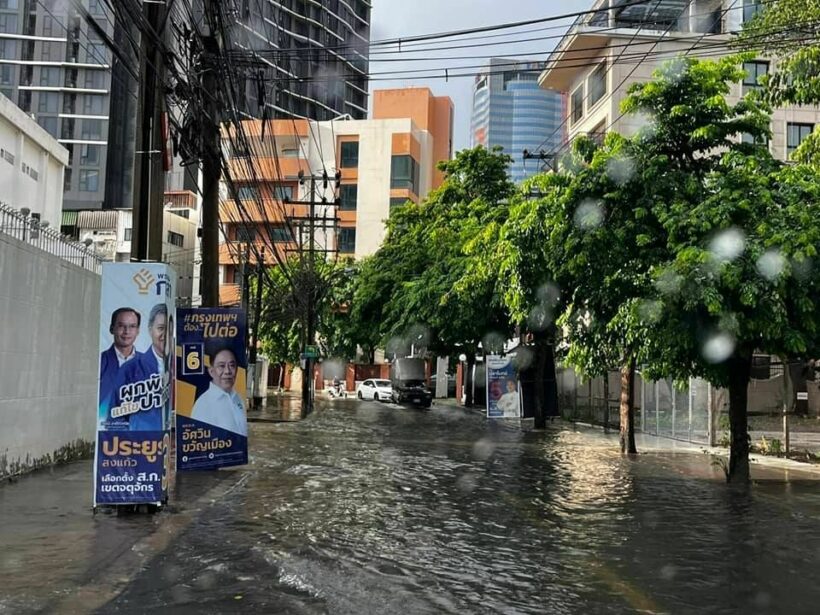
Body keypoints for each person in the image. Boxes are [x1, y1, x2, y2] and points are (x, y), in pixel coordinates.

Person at [191, 347, 247, 436]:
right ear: (211, 371)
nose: (227, 371)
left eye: (232, 365)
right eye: (221, 366)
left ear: (237, 370)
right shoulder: (203, 405)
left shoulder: (238, 398)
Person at [99, 307, 141, 424]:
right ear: (112, 329)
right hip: (106, 432)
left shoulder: (149, 364)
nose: (127, 331)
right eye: (121, 326)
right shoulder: (99, 362)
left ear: (138, 331)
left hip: (141, 435)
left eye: (132, 326)